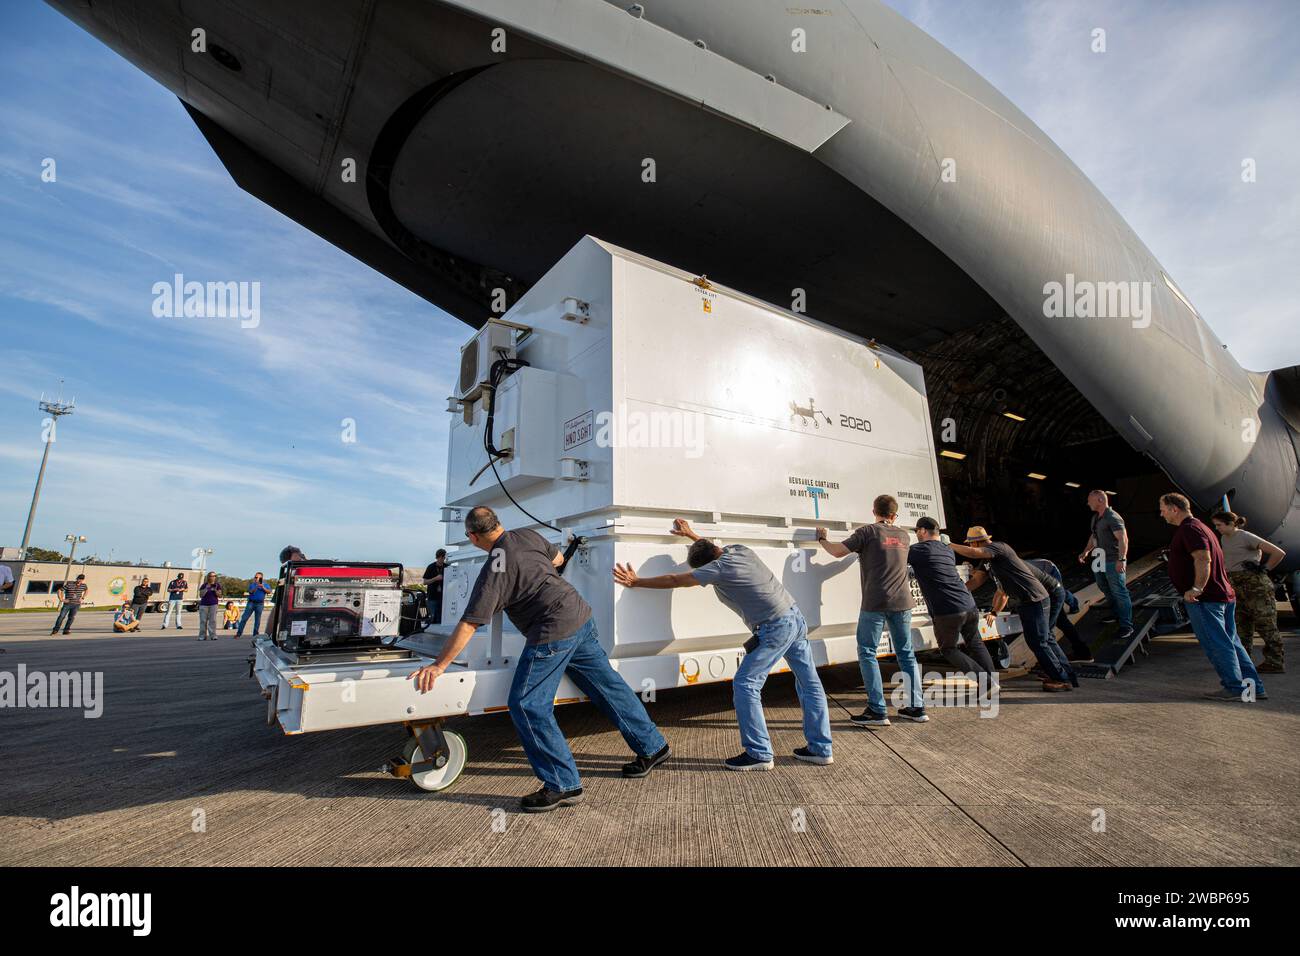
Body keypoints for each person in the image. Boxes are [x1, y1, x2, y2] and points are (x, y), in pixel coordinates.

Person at [411, 506, 669, 812]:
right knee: (608, 687)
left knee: (527, 704)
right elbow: (558, 560)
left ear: (472, 536)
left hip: (553, 631)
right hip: (580, 616)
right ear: (498, 524)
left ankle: (563, 784)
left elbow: (470, 623)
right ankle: (653, 746)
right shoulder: (527, 535)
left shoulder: (494, 568)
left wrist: (439, 665)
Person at [615, 518, 834, 770]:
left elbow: (676, 580)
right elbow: (709, 548)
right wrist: (690, 534)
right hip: (795, 617)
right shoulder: (740, 550)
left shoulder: (718, 568)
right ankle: (820, 749)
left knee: (746, 684)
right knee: (809, 682)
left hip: (775, 627)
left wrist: (637, 581)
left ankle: (759, 753)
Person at [816, 494, 927, 725]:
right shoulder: (905, 536)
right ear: (894, 515)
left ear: (874, 510)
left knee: (867, 652)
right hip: (903, 603)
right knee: (906, 654)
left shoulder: (868, 532)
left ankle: (877, 711)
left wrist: (822, 540)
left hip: (875, 603)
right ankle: (917, 708)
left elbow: (837, 552)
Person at [1160, 493, 1265, 702]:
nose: (1161, 513)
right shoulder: (1202, 527)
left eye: (1162, 509)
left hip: (1206, 599)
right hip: (1221, 595)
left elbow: (1202, 558)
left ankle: (1235, 687)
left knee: (1218, 644)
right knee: (1232, 643)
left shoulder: (1189, 529)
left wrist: (1197, 588)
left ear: (1174, 508)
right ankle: (1253, 688)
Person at [952, 527, 1078, 691]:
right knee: (1041, 640)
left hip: (1036, 599)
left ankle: (1061, 679)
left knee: (1040, 641)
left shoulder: (999, 548)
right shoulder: (988, 562)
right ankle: (1065, 675)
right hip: (1026, 601)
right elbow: (977, 581)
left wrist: (949, 545)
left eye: (971, 544)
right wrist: (957, 589)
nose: (972, 547)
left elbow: (975, 553)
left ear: (975, 542)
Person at [907, 517, 997, 679]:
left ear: (922, 531)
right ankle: (993, 682)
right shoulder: (947, 549)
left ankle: (985, 681)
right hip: (969, 604)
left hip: (947, 609)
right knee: (976, 643)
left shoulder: (918, 551)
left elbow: (894, 557)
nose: (917, 534)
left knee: (948, 649)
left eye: (916, 531)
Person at [1210, 510, 1287, 674]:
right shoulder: (1225, 538)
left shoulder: (1246, 536)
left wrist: (1264, 569)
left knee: (1266, 624)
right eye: (1215, 525)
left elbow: (1278, 553)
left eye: (1219, 525)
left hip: (1254, 584)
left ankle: (1275, 662)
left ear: (1231, 524)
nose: (1217, 528)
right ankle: (1243, 661)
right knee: (1241, 625)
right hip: (1235, 584)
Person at [1078, 491, 1134, 640]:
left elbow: (1123, 539)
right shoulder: (1096, 518)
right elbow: (1093, 535)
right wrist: (1086, 551)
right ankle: (1116, 614)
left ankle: (1126, 625)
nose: (1088, 503)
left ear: (1101, 500)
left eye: (1090, 500)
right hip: (1099, 559)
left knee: (1119, 591)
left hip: (1112, 560)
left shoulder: (1113, 517)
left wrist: (1121, 560)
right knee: (1104, 587)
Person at [1027, 558, 1094, 663]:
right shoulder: (1007, 565)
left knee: (1048, 628)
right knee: (1060, 620)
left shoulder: (1011, 569)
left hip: (1050, 572)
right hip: (1044, 574)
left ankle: (1055, 664)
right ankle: (1082, 653)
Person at [235, 572, 272, 637]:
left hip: (260, 604)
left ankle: (255, 634)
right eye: (255, 577)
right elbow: (250, 592)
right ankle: (239, 633)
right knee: (244, 618)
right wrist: (256, 587)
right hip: (251, 603)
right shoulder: (252, 585)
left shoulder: (265, 585)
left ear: (262, 578)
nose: (257, 579)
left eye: (259, 577)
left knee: (257, 620)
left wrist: (263, 587)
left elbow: (269, 592)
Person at [422, 549, 448, 627]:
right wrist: (435, 579)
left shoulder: (447, 567)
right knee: (431, 618)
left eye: (444, 557)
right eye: (441, 557)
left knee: (441, 618)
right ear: (437, 557)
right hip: (432, 597)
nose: (442, 559)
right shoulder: (431, 567)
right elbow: (425, 582)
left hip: (444, 598)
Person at [197, 572, 222, 641]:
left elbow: (220, 595)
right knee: (203, 621)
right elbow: (201, 595)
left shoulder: (217, 585)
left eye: (214, 576)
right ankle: (202, 636)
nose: (212, 577)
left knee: (213, 620)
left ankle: (213, 635)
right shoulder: (204, 585)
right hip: (204, 604)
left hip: (213, 604)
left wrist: (216, 591)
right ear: (208, 577)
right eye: (211, 576)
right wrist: (206, 588)